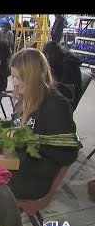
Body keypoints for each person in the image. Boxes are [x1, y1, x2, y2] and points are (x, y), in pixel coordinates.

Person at [8, 48, 78, 200]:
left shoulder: (55, 105)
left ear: (33, 77)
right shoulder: (26, 99)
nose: (14, 83)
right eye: (13, 76)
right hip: (18, 166)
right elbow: (19, 127)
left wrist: (33, 140)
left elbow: (68, 153)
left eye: (19, 77)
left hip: (33, 179)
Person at [42, 40, 83, 108]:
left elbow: (65, 89)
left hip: (68, 100)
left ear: (52, 55)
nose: (47, 59)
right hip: (63, 94)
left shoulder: (69, 64)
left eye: (47, 56)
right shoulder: (59, 60)